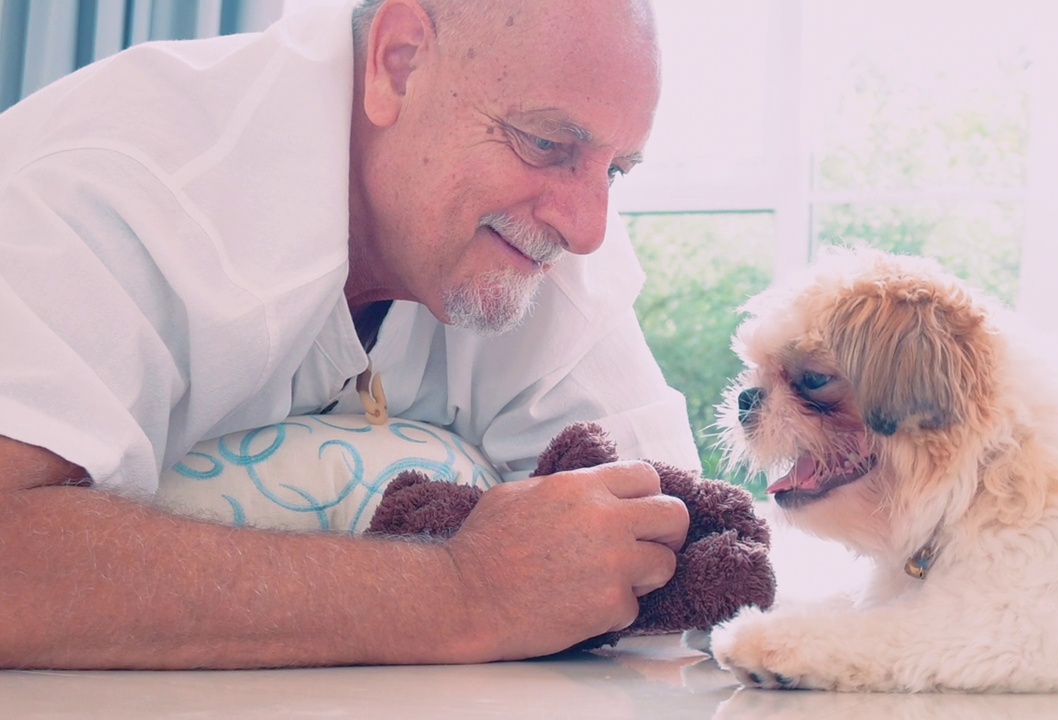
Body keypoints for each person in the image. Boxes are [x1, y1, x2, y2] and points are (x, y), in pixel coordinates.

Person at [0, 0, 699, 669]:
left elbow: (672, 542)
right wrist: (460, 593)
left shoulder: (539, 243)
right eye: (545, 143)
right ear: (400, 63)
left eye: (613, 170)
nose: (587, 229)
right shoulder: (117, 186)